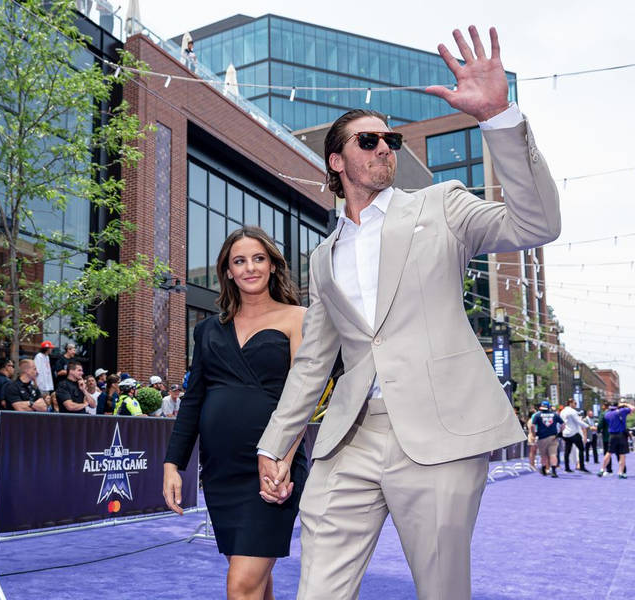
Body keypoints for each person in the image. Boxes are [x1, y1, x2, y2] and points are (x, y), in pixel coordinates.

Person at [253, 26, 561, 600]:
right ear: (337, 159)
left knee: (442, 591)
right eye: (368, 141)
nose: (384, 149)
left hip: (439, 435)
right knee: (317, 588)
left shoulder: (441, 206)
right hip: (351, 439)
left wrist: (498, 118)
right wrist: (278, 442)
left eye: (389, 140)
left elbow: (536, 224)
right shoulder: (323, 258)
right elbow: (315, 362)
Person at [164, 226, 310, 600]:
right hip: (221, 472)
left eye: (258, 259)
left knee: (241, 584)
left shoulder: (299, 318)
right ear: (227, 271)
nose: (250, 268)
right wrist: (172, 464)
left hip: (272, 466)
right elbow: (193, 400)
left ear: (273, 266)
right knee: (255, 581)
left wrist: (283, 460)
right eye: (239, 261)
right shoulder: (209, 330)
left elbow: (302, 397)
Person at [599, 402, 633, 479]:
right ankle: (620, 472)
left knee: (609, 453)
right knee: (622, 455)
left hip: (612, 435)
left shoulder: (607, 414)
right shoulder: (621, 411)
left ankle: (602, 469)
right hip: (621, 435)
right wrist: (625, 404)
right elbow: (632, 408)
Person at [532, 401, 563, 477]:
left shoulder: (537, 415)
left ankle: (544, 469)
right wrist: (559, 434)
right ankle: (554, 471)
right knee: (553, 454)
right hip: (553, 437)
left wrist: (534, 434)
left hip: (542, 437)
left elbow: (532, 426)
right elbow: (563, 424)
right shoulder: (555, 415)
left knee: (543, 455)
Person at [560, 399, 589, 473]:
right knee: (581, 449)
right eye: (575, 403)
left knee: (567, 451)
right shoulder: (572, 411)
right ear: (570, 403)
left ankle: (567, 468)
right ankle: (582, 467)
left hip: (566, 433)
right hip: (573, 433)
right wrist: (588, 426)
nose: (576, 405)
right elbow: (578, 421)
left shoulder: (562, 411)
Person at [34, 341, 55, 409]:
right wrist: (35, 383)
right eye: (50, 348)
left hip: (46, 386)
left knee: (47, 404)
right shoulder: (39, 356)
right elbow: (36, 371)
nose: (51, 349)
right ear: (46, 348)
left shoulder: (47, 357)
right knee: (41, 404)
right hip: (41, 385)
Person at [597, 404, 613, 474]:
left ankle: (608, 469)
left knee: (607, 452)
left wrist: (598, 430)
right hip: (616, 435)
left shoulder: (603, 414)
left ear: (605, 406)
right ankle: (622, 471)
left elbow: (600, 424)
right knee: (620, 454)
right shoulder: (615, 413)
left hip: (607, 436)